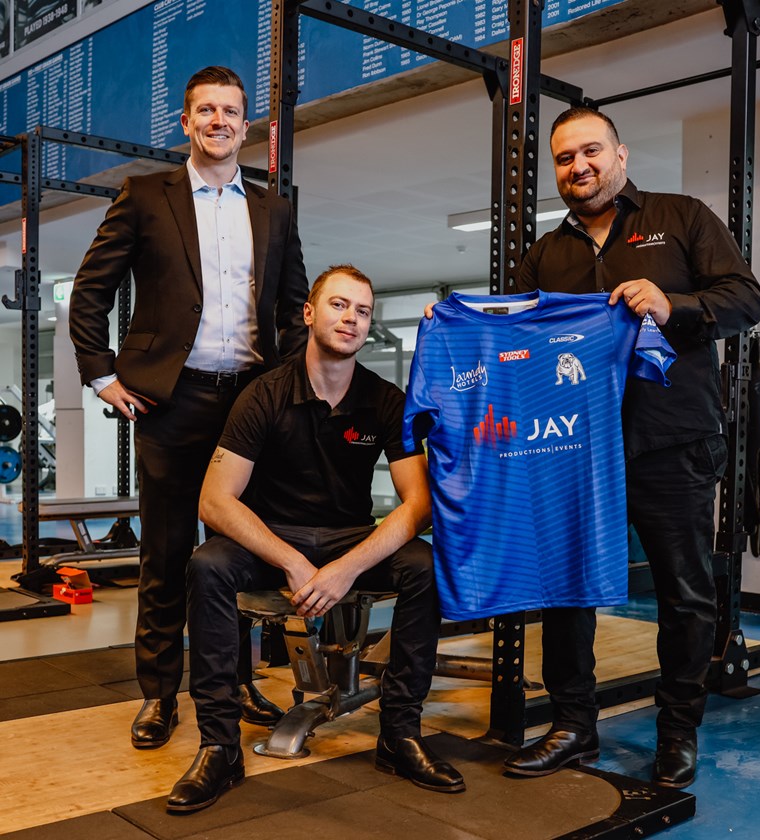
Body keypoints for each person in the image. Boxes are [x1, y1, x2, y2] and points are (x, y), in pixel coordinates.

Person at [500, 106, 760, 788]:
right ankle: (573, 727)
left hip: (670, 443)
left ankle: (677, 733)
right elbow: (516, 348)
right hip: (572, 451)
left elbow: (744, 298)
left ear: (621, 153)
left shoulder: (682, 219)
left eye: (590, 152)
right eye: (564, 159)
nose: (578, 167)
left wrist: (671, 303)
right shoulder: (545, 253)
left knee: (685, 593)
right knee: (567, 593)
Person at [69, 66, 309, 749]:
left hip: (249, 407)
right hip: (172, 402)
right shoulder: (146, 195)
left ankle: (232, 683)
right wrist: (100, 378)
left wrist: (285, 384)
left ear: (245, 124)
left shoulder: (274, 209)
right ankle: (158, 695)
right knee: (168, 555)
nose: (218, 121)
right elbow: (91, 291)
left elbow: (293, 307)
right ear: (186, 121)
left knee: (234, 558)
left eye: (230, 111)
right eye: (205, 110)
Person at [166, 265, 465, 813]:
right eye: (338, 305)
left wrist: (345, 567)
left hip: (348, 538)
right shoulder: (264, 396)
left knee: (426, 566)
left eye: (362, 311)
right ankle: (219, 747)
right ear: (309, 313)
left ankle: (400, 735)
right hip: (274, 537)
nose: (351, 318)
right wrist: (292, 562)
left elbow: (419, 505)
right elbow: (214, 500)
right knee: (208, 565)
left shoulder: (384, 400)